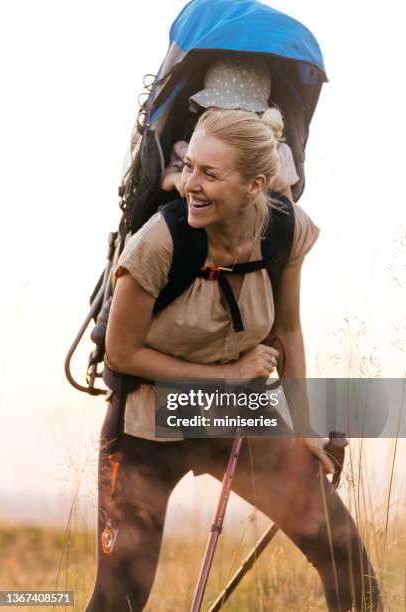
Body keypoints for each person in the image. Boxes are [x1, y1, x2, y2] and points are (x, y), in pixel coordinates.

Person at [85, 109, 380, 611]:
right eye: (189, 166)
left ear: (255, 185)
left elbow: (287, 329)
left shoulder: (285, 230)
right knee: (119, 600)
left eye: (209, 174)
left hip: (231, 413)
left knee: (348, 565)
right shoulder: (159, 241)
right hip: (145, 422)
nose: (189, 186)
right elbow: (122, 351)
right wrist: (227, 375)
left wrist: (303, 426)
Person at [161, 57, 299, 201]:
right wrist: (177, 180)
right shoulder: (191, 150)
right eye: (215, 113)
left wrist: (279, 185)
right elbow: (164, 178)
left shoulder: (278, 153)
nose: (222, 123)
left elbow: (289, 207)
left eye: (230, 115)